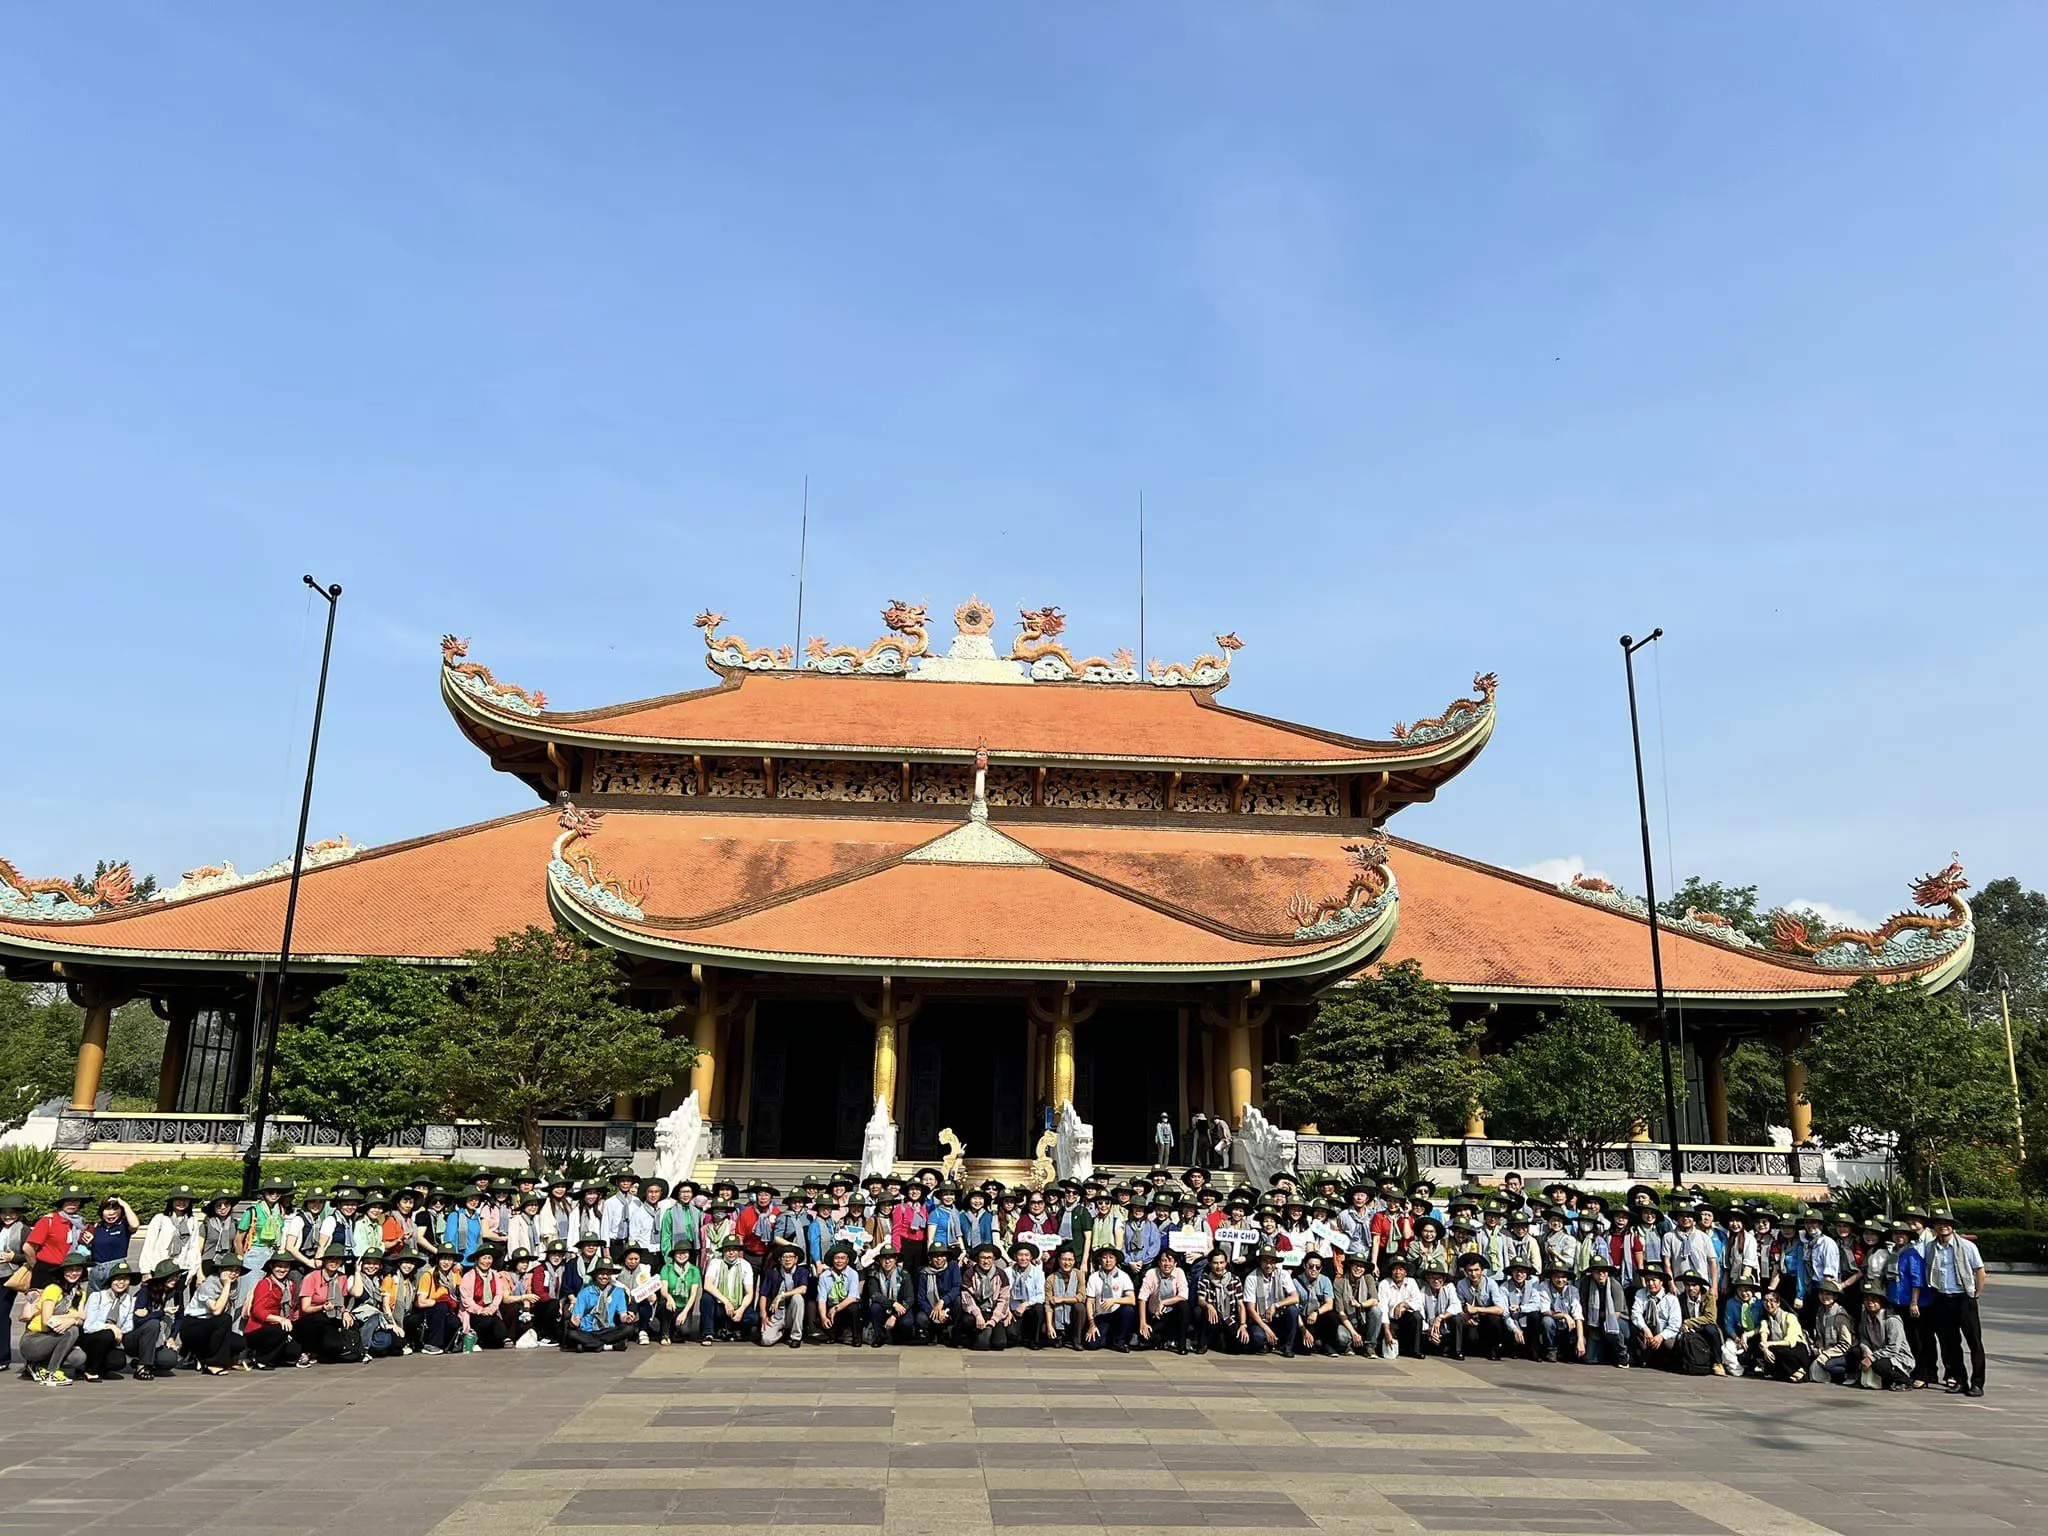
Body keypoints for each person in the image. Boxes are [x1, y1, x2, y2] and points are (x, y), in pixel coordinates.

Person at [1920, 1209, 1988, 1396]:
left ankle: (1978, 1383)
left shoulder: (1966, 1246)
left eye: (1947, 1223)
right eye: (1939, 1223)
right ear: (1934, 1226)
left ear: (1953, 1226)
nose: (1944, 1226)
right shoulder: (1931, 1247)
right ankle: (1960, 1380)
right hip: (1942, 1298)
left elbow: (1980, 1271)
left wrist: (1975, 1293)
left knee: (1974, 1342)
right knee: (1950, 1344)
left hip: (1963, 1298)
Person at [20, 1249, 92, 1386]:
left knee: (79, 1357)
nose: (74, 1273)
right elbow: (47, 1320)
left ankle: (38, 1366)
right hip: (34, 1340)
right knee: (73, 1331)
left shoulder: (80, 1292)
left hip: (56, 1337)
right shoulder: (53, 1289)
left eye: (78, 1269)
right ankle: (51, 1373)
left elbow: (82, 1319)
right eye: (70, 1270)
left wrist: (73, 1320)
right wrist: (74, 1317)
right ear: (63, 1272)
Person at [181, 1254, 248, 1374]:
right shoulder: (209, 1284)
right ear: (221, 1269)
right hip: (194, 1325)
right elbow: (216, 1310)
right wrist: (226, 1285)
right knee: (224, 1319)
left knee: (239, 1342)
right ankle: (213, 1363)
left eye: (237, 1270)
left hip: (213, 1326)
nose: (234, 1274)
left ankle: (203, 1358)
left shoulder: (234, 1284)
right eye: (230, 1270)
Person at [243, 1253, 306, 1370]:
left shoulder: (290, 1285)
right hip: (258, 1329)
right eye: (279, 1266)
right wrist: (280, 1319)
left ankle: (274, 1357)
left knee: (294, 1352)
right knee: (279, 1330)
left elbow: (291, 1308)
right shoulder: (265, 1284)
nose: (282, 1270)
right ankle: (262, 1360)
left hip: (279, 1327)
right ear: (271, 1266)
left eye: (286, 1266)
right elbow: (257, 1311)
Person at [138, 1186, 203, 1296]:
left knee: (177, 1304)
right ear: (171, 1201)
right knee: (156, 1301)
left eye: (185, 1200)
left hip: (180, 1269)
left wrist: (192, 1270)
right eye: (178, 1199)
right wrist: (145, 1270)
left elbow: (193, 1247)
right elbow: (149, 1245)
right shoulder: (160, 1219)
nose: (181, 1203)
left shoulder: (192, 1221)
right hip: (159, 1269)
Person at [25, 1186, 91, 1290]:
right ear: (62, 1202)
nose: (72, 1204)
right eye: (68, 1200)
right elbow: (28, 1248)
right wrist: (36, 1267)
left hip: (71, 1271)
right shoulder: (49, 1220)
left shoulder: (80, 1222)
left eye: (76, 1200)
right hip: (47, 1271)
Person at [1239, 1245, 1299, 1357]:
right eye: (1265, 1261)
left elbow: (1295, 1297)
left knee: (1293, 1310)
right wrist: (1266, 1329)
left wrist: (1276, 1305)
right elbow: (1251, 1309)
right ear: (1260, 1261)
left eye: (1272, 1262)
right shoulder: (1252, 1278)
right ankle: (1267, 1343)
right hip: (1260, 1319)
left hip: (1278, 1316)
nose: (1268, 1265)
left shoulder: (1283, 1274)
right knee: (1258, 1338)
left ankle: (1288, 1346)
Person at [1744, 1289, 1814, 1382]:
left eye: (1771, 1301)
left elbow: (1790, 1341)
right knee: (1768, 1351)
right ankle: (1792, 1374)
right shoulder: (1766, 1320)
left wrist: (1769, 1344)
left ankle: (1801, 1371)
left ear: (1778, 1303)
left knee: (1780, 1351)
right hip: (1779, 1348)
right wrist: (1764, 1349)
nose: (1768, 1304)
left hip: (1796, 1349)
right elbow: (1762, 1332)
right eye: (1766, 1301)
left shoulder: (1790, 1317)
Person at [566, 1258, 633, 1352]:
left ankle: (588, 1346)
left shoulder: (618, 1291)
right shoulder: (585, 1292)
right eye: (601, 1273)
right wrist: (574, 1323)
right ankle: (608, 1347)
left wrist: (627, 1318)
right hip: (588, 1331)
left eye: (608, 1273)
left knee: (628, 1329)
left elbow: (622, 1315)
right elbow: (577, 1316)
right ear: (595, 1274)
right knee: (571, 1334)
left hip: (608, 1329)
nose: (604, 1276)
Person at [1853, 1290, 1915, 1390]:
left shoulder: (1892, 1320)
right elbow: (1863, 1338)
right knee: (1855, 1351)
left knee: (1879, 1365)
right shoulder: (1865, 1316)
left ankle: (1905, 1381)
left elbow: (1893, 1348)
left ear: (1881, 1302)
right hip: (1876, 1352)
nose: (1870, 1303)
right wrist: (1866, 1349)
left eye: (1874, 1300)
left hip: (1896, 1356)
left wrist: (1871, 1358)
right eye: (1867, 1300)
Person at [703, 1235, 758, 1343]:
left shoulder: (745, 1265)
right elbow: (707, 1285)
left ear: (738, 1251)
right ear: (723, 1251)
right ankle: (708, 1333)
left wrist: (741, 1310)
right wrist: (725, 1301)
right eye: (728, 1250)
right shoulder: (715, 1262)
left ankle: (733, 1328)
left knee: (753, 1317)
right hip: (720, 1305)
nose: (731, 1252)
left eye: (734, 1250)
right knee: (706, 1298)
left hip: (737, 1305)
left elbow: (749, 1293)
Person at [1455, 1253, 1510, 1361]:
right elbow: (1458, 1304)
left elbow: (1500, 1309)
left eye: (1476, 1270)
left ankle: (1494, 1350)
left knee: (1494, 1320)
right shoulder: (1461, 1284)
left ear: (1482, 1270)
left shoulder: (1491, 1284)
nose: (1473, 1274)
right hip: (1472, 1319)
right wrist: (1464, 1315)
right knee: (1471, 1338)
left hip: (1487, 1318)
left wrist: (1477, 1309)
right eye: (1470, 1271)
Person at [957, 1242, 1012, 1350]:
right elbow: (967, 1298)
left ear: (993, 1259)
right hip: (976, 1311)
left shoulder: (1001, 1274)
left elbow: (1004, 1299)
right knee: (982, 1345)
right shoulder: (969, 1273)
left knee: (999, 1344)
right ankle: (970, 1336)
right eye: (982, 1258)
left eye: (989, 1258)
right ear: (977, 1258)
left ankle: (988, 1333)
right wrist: (978, 1316)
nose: (986, 1261)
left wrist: (994, 1320)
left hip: (993, 1310)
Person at [1138, 1248, 1191, 1354]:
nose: (1167, 1264)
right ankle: (1161, 1340)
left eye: (1170, 1261)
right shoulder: (1151, 1273)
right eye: (1164, 1261)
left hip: (1172, 1314)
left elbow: (1183, 1295)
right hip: (1155, 1316)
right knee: (1146, 1338)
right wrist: (1143, 1323)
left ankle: (1182, 1345)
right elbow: (1142, 1298)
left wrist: (1163, 1302)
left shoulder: (1179, 1272)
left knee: (1184, 1306)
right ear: (1159, 1262)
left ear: (1175, 1263)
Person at [759, 1242, 812, 1348]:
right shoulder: (773, 1273)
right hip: (777, 1314)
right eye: (784, 1257)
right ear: (780, 1260)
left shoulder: (801, 1271)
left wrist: (781, 1296)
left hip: (792, 1312)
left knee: (798, 1298)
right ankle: (782, 1333)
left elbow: (803, 1289)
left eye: (791, 1257)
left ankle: (796, 1337)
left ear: (796, 1259)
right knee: (766, 1340)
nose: (788, 1259)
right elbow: (763, 1294)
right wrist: (763, 1314)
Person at [1084, 1245, 1136, 1352]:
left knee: (1128, 1310)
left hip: (1117, 1314)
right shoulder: (1094, 1277)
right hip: (1101, 1316)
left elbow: (1131, 1299)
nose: (1108, 1261)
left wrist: (1114, 1300)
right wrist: (1092, 1324)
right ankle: (1108, 1339)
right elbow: (1089, 1302)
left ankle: (1120, 1341)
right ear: (1100, 1260)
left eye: (1111, 1257)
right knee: (1091, 1345)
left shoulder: (1123, 1276)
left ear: (1116, 1260)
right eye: (1104, 1257)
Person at [1580, 1254, 1630, 1367]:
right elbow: (1583, 1307)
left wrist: (1601, 1318)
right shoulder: (1586, 1283)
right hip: (1594, 1323)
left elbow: (1616, 1314)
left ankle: (1622, 1355)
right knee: (1590, 1359)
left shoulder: (1615, 1285)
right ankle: (1605, 1353)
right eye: (1597, 1271)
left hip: (1617, 1322)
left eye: (1604, 1271)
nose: (1601, 1274)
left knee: (1611, 1325)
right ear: (1592, 1273)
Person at [461, 1243, 512, 1350]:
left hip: (490, 1311)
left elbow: (498, 1294)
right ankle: (475, 1337)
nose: (487, 1261)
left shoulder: (494, 1274)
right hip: (473, 1313)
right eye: (484, 1258)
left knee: (494, 1322)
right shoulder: (469, 1276)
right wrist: (480, 1310)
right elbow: (466, 1299)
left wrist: (491, 1308)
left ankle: (501, 1338)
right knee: (489, 1320)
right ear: (477, 1260)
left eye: (489, 1258)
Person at [1631, 1265, 1682, 1371]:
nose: (1650, 1283)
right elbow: (1636, 1313)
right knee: (1633, 1328)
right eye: (1648, 1280)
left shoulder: (1671, 1299)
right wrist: (1645, 1329)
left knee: (1669, 1344)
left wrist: (1661, 1336)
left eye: (1653, 1280)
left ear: (1661, 1281)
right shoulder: (1641, 1294)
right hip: (1648, 1333)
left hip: (1663, 1334)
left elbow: (1675, 1324)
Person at [415, 1251, 464, 1355]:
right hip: (428, 1311)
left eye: (449, 1259)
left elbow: (463, 1293)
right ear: (438, 1260)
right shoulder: (428, 1275)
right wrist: (440, 1301)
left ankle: (447, 1345)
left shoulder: (455, 1276)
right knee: (441, 1307)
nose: (446, 1262)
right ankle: (432, 1344)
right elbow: (420, 1302)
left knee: (454, 1321)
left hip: (446, 1311)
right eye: (443, 1259)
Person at [815, 1244, 865, 1345]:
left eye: (843, 1258)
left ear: (847, 1260)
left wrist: (836, 1309)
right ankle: (832, 1334)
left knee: (854, 1309)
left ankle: (856, 1338)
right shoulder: (824, 1276)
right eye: (837, 1258)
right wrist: (824, 1317)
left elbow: (852, 1297)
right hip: (831, 1305)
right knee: (818, 1315)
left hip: (845, 1305)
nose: (839, 1261)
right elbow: (822, 1299)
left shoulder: (853, 1274)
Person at [1811, 1280, 1857, 1384]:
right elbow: (1819, 1336)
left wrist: (1827, 1354)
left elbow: (1846, 1344)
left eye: (1828, 1294)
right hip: (1828, 1349)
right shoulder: (1820, 1312)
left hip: (1845, 1352)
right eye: (1822, 1293)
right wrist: (1820, 1349)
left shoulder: (1840, 1315)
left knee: (1828, 1364)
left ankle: (1849, 1373)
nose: (1824, 1297)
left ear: (1835, 1297)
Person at [865, 1246, 912, 1346]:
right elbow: (874, 1295)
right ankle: (879, 1335)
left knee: (907, 1322)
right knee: (874, 1308)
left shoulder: (904, 1274)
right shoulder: (874, 1274)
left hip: (900, 1309)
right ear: (879, 1260)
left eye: (890, 1258)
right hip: (885, 1307)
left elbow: (910, 1299)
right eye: (884, 1258)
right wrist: (893, 1303)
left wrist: (894, 1316)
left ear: (896, 1260)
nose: (887, 1261)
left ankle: (898, 1335)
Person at [913, 1245, 959, 1346]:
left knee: (958, 1300)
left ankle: (952, 1333)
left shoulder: (953, 1266)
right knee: (921, 1318)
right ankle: (931, 1333)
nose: (939, 1259)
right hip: (931, 1308)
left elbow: (956, 1287)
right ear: (930, 1258)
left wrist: (943, 1301)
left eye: (942, 1255)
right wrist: (935, 1312)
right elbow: (921, 1298)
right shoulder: (923, 1273)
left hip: (948, 1306)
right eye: (935, 1256)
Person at [1005, 1240, 1047, 1350]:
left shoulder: (1037, 1272)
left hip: (1030, 1308)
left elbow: (1041, 1295)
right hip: (1014, 1309)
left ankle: (1035, 1340)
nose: (1023, 1258)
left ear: (1031, 1257)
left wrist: (1025, 1304)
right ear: (1015, 1257)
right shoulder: (1008, 1272)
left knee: (1039, 1308)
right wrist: (1007, 1310)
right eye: (1020, 1255)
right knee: (1011, 1335)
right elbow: (1004, 1294)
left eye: (1026, 1255)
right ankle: (1021, 1337)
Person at [1417, 1263, 1463, 1359]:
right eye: (1433, 1278)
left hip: (1445, 1330)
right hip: (1429, 1332)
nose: (1436, 1281)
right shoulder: (1423, 1292)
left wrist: (1440, 1317)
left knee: (1457, 1318)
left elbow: (1456, 1306)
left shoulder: (1449, 1288)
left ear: (1444, 1279)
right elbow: (1420, 1312)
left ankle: (1457, 1351)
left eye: (1439, 1278)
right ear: (1428, 1278)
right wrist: (1429, 1330)